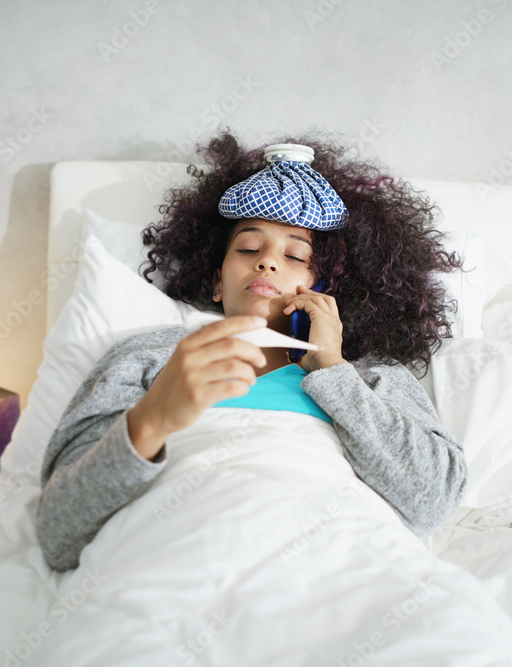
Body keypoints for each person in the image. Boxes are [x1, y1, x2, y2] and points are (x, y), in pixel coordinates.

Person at [36, 130, 468, 572]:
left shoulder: (372, 377)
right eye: (248, 247)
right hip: (177, 555)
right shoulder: (148, 356)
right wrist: (154, 419)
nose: (267, 262)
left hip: (344, 563)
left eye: (296, 256)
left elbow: (431, 501)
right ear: (216, 281)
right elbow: (59, 531)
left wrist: (333, 368)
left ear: (328, 289)